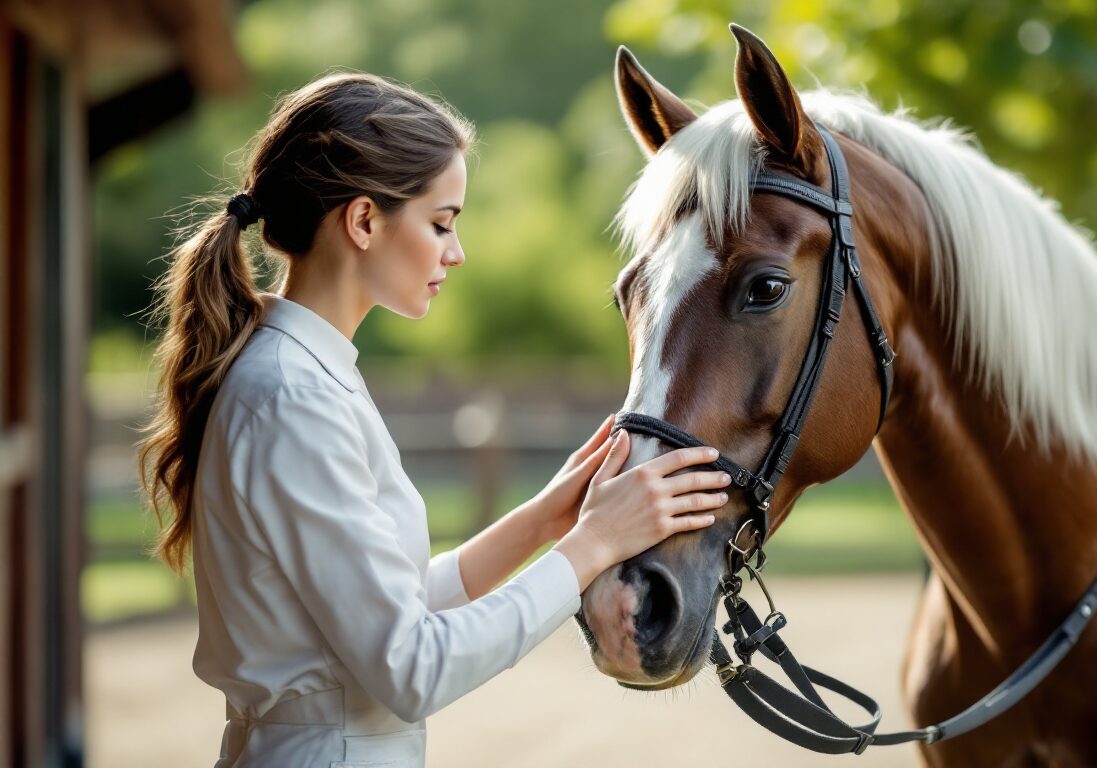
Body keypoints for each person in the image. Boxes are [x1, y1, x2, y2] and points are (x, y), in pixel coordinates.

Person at [136, 71, 732, 767]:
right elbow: (411, 668)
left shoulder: (306, 375)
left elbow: (391, 607)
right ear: (362, 221)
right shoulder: (290, 397)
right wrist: (592, 548)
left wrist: (548, 519)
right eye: (441, 222)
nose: (456, 251)